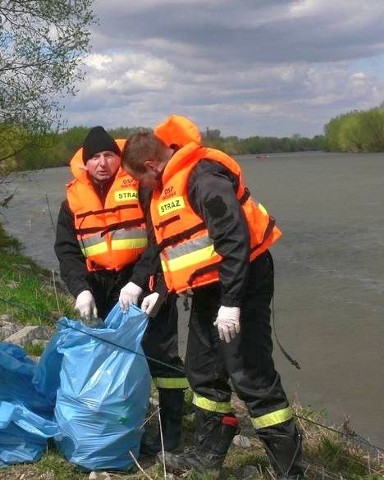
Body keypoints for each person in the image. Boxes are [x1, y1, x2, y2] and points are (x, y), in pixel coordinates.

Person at [120, 115, 304, 479]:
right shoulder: (160, 190)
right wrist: (148, 285)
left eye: (141, 178)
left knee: (249, 373)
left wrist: (232, 303)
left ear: (153, 165)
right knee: (203, 372)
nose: (141, 186)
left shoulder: (203, 179)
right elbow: (164, 242)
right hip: (207, 289)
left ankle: (290, 470)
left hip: (243, 280)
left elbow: (236, 241)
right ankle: (206, 457)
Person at [53, 126, 188, 455]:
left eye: (108, 155)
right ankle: (122, 430)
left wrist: (139, 280)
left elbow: (160, 237)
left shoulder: (142, 186)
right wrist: (79, 290)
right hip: (99, 287)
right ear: (84, 164)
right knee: (113, 363)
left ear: (119, 158)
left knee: (162, 358)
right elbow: (67, 251)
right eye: (94, 157)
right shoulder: (72, 202)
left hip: (143, 284)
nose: (102, 163)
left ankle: (173, 436)